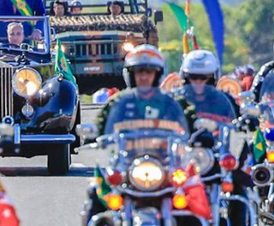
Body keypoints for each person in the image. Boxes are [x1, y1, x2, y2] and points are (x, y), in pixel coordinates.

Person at [83, 45, 195, 225]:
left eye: (149, 72)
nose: (144, 76)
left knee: (192, 199)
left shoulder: (172, 101)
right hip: (126, 165)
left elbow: (191, 119)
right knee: (96, 192)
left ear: (157, 74)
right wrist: (93, 133)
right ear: (130, 75)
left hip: (164, 164)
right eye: (139, 72)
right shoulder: (118, 101)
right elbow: (101, 122)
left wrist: (199, 133)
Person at [173, 49, 249, 226]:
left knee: (237, 185)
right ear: (185, 77)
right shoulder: (176, 101)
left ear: (213, 78)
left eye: (204, 78)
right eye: (194, 77)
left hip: (216, 156)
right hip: (184, 159)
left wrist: (248, 121)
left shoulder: (226, 100)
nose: (198, 82)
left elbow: (239, 125)